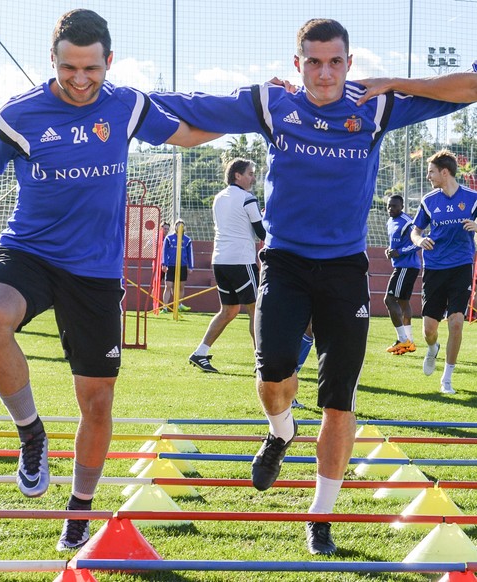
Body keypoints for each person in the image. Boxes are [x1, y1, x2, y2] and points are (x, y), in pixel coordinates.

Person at [151, 18, 476, 555]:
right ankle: (280, 432)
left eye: (335, 61)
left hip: (345, 270)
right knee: (273, 372)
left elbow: (467, 88)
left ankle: (320, 516)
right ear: (297, 62)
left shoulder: (374, 105)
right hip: (284, 263)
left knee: (338, 399)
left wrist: (397, 83)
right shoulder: (271, 104)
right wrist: (112, 98)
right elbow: (195, 106)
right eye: (313, 61)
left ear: (349, 63)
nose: (325, 73)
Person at [0, 8, 215, 552]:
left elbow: (187, 136)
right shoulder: (18, 116)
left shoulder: (127, 105)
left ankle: (79, 511)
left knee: (97, 403)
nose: (79, 78)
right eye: (69, 67)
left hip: (95, 274)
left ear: (108, 62)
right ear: (53, 60)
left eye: (91, 68)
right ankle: (31, 433)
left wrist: (269, 114)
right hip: (31, 252)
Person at [410, 150, 477, 395]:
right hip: (434, 268)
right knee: (429, 329)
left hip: (460, 266)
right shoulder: (429, 201)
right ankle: (432, 348)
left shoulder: (472, 198)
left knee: (457, 322)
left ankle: (446, 380)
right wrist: (418, 241)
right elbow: (415, 231)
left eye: (431, 172)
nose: (428, 176)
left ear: (444, 172)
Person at [189, 158, 264, 373]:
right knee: (256, 311)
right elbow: (261, 233)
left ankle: (200, 353)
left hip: (220, 260)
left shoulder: (219, 198)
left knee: (229, 310)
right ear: (237, 175)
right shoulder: (248, 199)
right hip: (241, 260)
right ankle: (261, 363)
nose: (253, 177)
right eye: (250, 173)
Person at [383, 194, 420, 355]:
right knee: (403, 302)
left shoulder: (407, 222)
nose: (391, 208)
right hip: (402, 266)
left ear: (402, 207)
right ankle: (409, 342)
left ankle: (402, 339)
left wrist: (400, 252)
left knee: (389, 299)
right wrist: (389, 251)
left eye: (395, 206)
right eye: (389, 205)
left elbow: (418, 243)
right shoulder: (390, 221)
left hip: (406, 266)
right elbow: (395, 244)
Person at [161, 219, 194, 312]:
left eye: (182, 226)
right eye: (178, 225)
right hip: (171, 265)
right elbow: (164, 252)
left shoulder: (187, 240)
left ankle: (178, 305)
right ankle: (165, 307)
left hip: (182, 266)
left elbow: (189, 254)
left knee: (180, 287)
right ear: (175, 226)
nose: (180, 227)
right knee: (168, 286)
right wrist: (164, 264)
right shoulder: (169, 238)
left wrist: (190, 266)